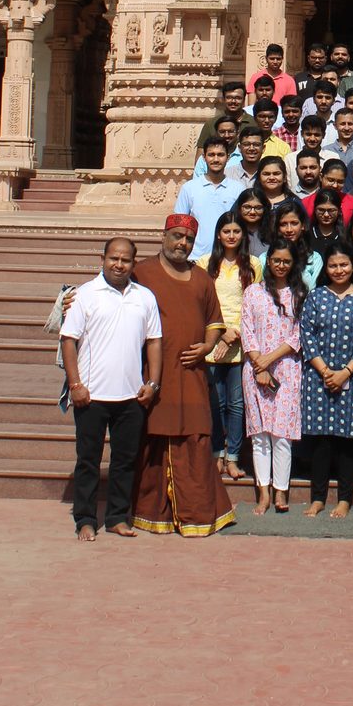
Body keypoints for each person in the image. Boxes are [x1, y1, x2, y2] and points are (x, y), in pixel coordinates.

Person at [132, 216, 236, 537]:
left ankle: (198, 513)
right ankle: (151, 512)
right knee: (153, 436)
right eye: (177, 237)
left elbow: (213, 321)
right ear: (163, 235)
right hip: (153, 371)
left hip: (192, 372)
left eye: (188, 240)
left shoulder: (201, 279)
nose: (182, 244)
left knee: (195, 434)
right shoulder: (142, 273)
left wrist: (206, 345)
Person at [60, 237, 163, 542]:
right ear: (102, 258)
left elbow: (154, 340)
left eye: (126, 260)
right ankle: (86, 519)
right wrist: (76, 384)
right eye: (113, 258)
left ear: (134, 262)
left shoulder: (144, 297)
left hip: (131, 395)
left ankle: (118, 516)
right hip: (91, 396)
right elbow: (69, 341)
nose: (119, 265)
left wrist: (153, 383)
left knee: (124, 460)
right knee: (88, 460)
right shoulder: (85, 295)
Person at [299, 247, 353, 518]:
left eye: (344, 264)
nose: (339, 270)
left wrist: (346, 372)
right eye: (333, 266)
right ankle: (317, 498)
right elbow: (307, 333)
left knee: (347, 441)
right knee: (321, 440)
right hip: (319, 378)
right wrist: (325, 370)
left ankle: (344, 499)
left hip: (351, 377)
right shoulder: (316, 297)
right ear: (325, 269)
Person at [240, 240, 305, 515]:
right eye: (276, 260)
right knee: (259, 435)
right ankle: (263, 493)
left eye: (286, 261)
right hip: (255, 370)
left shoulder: (299, 293)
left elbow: (298, 334)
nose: (280, 265)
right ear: (268, 261)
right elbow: (247, 330)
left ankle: (281, 491)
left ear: (293, 264)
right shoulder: (253, 292)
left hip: (287, 369)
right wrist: (260, 365)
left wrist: (270, 360)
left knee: (281, 435)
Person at [199, 211, 262, 484]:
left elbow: (255, 304)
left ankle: (233, 457)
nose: (232, 236)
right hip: (213, 341)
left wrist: (235, 334)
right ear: (218, 234)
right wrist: (221, 333)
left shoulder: (254, 264)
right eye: (227, 231)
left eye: (237, 231)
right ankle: (216, 454)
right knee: (216, 402)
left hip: (241, 343)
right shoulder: (204, 263)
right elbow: (201, 303)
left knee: (237, 404)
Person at [172, 135, 241, 255]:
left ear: (228, 157)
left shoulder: (238, 189)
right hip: (195, 257)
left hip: (227, 258)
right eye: (211, 155)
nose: (216, 159)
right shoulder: (189, 188)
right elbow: (180, 225)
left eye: (220, 155)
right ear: (204, 157)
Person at [271, 200, 322, 288]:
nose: (289, 230)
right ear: (277, 228)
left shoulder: (314, 259)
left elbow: (313, 292)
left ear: (303, 225)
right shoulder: (266, 259)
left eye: (294, 223)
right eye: (283, 224)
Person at [197, 81, 252, 152]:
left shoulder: (253, 123)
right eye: (229, 98)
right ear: (223, 99)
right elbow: (201, 152)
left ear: (244, 100)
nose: (233, 101)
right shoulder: (211, 124)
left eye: (238, 98)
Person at [254, 43, 297, 108]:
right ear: (266, 58)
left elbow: (291, 103)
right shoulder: (256, 77)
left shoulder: (289, 80)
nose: (275, 61)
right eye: (272, 58)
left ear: (282, 59)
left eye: (278, 59)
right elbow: (251, 103)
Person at [234, 187, 268, 259]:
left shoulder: (273, 231)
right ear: (239, 208)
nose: (252, 212)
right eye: (247, 207)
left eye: (258, 208)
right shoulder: (232, 232)